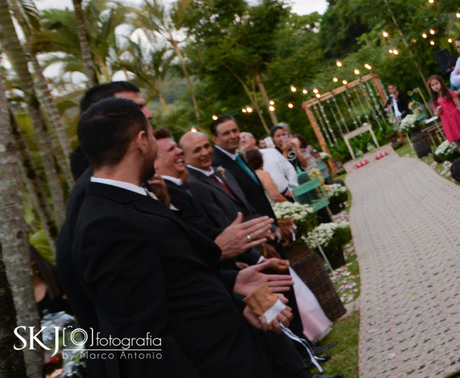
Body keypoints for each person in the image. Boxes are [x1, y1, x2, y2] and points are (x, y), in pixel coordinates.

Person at [61, 97, 301, 377]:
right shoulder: (105, 224)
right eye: (151, 134)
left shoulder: (130, 197)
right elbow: (144, 338)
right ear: (141, 140)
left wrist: (231, 282)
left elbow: (171, 278)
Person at [426, 75, 460, 164]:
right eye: (433, 85)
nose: (435, 86)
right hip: (447, 123)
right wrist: (438, 111)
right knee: (458, 143)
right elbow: (436, 114)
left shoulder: (449, 92)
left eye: (436, 83)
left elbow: (459, 105)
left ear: (441, 83)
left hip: (456, 119)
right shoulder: (434, 99)